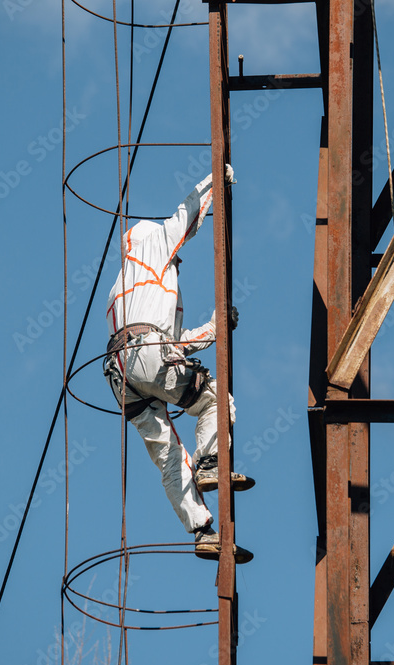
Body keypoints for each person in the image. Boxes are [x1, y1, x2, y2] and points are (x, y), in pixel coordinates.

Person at [103, 165, 254, 564]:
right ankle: (210, 463)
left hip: (121, 373)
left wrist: (214, 329)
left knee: (167, 454)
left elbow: (165, 346)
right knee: (214, 400)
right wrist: (215, 180)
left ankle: (202, 531)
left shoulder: (123, 290)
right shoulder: (151, 250)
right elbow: (183, 218)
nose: (179, 259)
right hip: (145, 353)